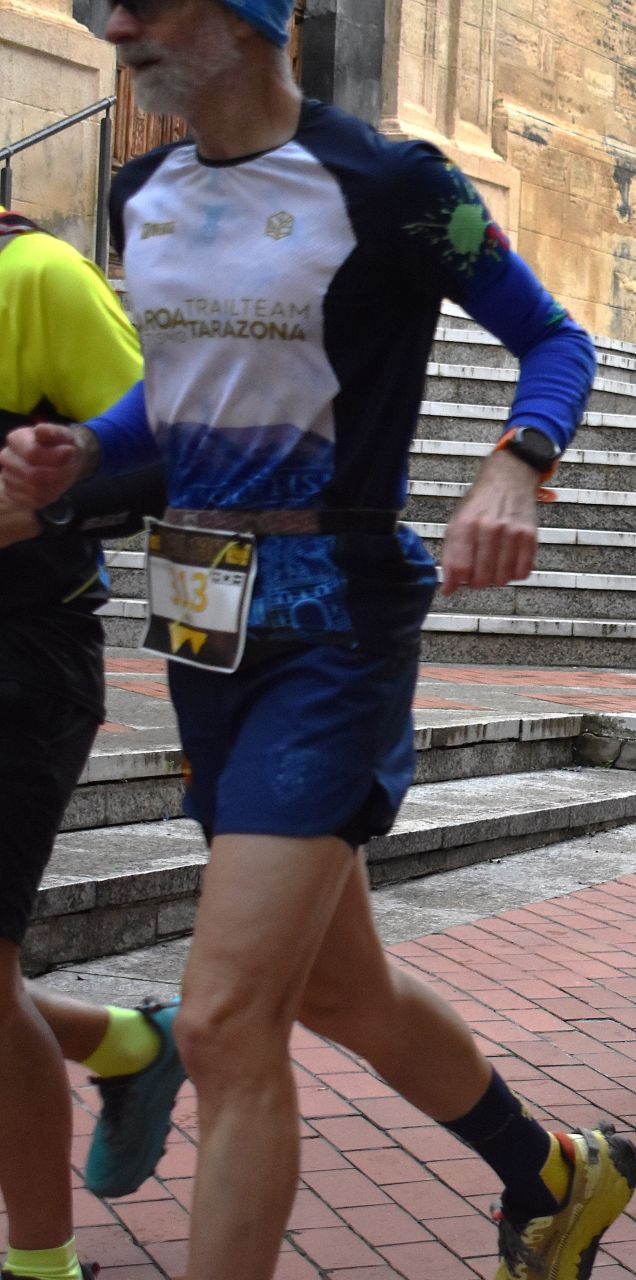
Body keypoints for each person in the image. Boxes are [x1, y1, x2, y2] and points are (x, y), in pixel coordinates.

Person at [0, 0, 636, 1275]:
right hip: (200, 628)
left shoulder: (394, 182)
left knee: (233, 1021)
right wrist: (79, 456)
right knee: (343, 991)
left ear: (243, 16)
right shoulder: (145, 191)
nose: (112, 19)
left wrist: (518, 462)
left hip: (337, 624)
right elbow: (169, 408)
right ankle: (560, 1172)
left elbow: (553, 338)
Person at [0, 207, 188, 1280]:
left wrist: (29, 513)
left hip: (22, 658)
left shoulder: (38, 279)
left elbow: (165, 454)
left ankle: (39, 1261)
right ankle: (128, 1042)